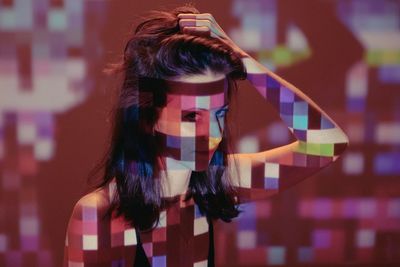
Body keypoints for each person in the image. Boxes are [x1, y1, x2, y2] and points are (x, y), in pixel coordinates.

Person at [63, 5, 349, 267]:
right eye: (191, 117)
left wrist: (245, 63)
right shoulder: (99, 216)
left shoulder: (216, 185)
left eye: (219, 114)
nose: (212, 134)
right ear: (148, 118)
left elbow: (327, 145)